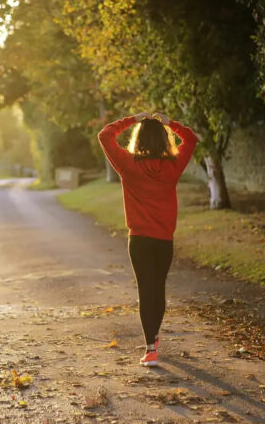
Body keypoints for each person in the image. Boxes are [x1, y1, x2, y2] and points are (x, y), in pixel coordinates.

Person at [98, 112, 198, 367]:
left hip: (139, 240)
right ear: (164, 140)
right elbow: (191, 138)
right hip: (164, 239)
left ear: (138, 138)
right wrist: (170, 123)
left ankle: (151, 348)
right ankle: (153, 338)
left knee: (146, 289)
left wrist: (132, 119)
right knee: (158, 288)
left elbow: (105, 135)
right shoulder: (173, 166)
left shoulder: (128, 165)